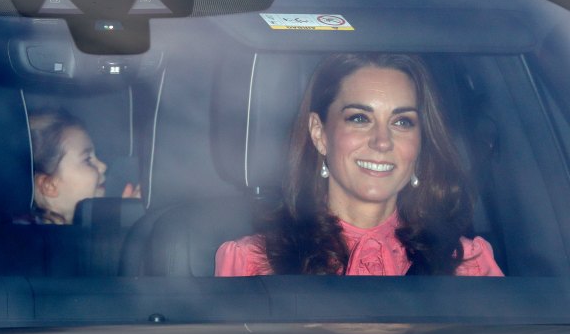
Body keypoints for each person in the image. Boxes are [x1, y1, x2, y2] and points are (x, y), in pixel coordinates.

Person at [215, 53, 503, 277]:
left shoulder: (467, 265)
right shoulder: (252, 263)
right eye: (359, 118)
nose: (382, 141)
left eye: (402, 122)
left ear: (420, 142)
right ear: (319, 133)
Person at [27, 109, 139, 225]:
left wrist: (123, 218)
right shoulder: (26, 241)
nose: (103, 166)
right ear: (49, 186)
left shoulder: (80, 233)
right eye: (87, 160)